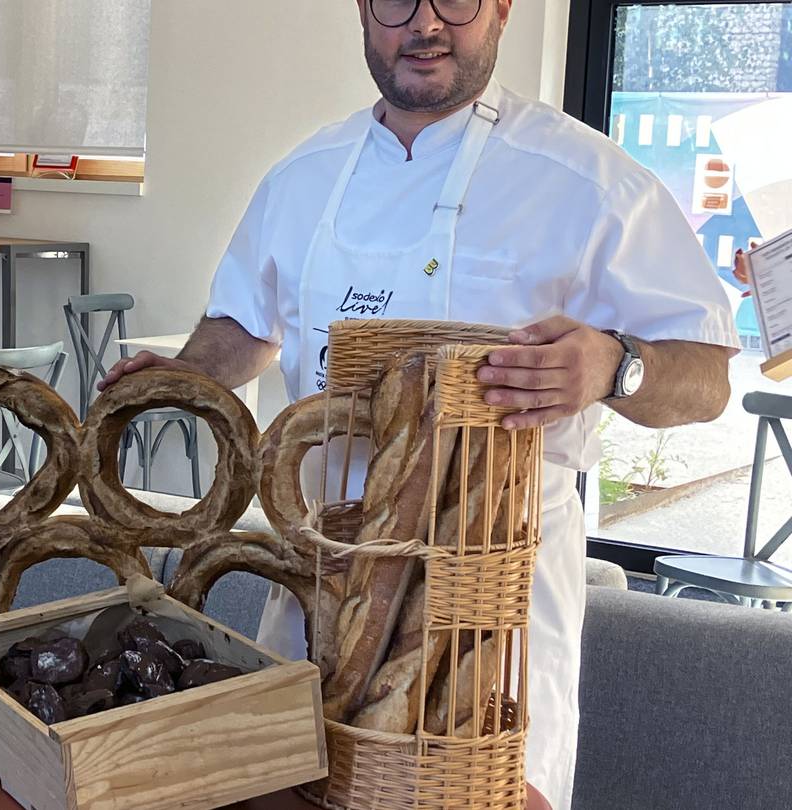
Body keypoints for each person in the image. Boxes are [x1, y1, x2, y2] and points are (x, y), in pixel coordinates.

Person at [99, 1, 738, 806]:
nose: (426, 23)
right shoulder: (305, 176)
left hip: (489, 620)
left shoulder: (593, 184)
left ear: (503, 8)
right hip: (316, 592)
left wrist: (617, 365)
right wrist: (184, 376)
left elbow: (708, 376)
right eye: (397, 0)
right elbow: (247, 323)